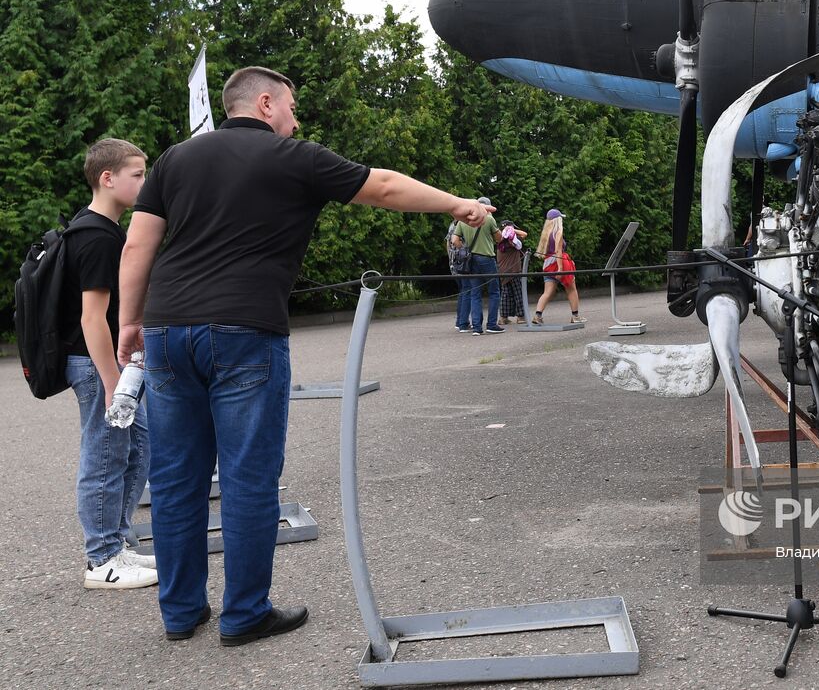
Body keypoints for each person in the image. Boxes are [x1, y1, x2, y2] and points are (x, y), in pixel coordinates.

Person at [117, 66, 492, 646]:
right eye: (291, 106)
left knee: (175, 479)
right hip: (244, 330)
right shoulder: (294, 158)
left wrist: (131, 322)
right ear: (265, 104)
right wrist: (456, 205)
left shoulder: (175, 160)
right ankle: (244, 616)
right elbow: (386, 187)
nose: (297, 119)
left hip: (167, 331)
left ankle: (181, 613)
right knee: (246, 476)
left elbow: (139, 242)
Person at [60, 138, 159, 590]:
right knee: (104, 456)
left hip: (104, 366)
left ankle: (116, 543)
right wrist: (112, 382)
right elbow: (91, 318)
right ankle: (101, 558)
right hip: (95, 365)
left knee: (138, 449)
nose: (145, 181)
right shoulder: (97, 236)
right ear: (108, 178)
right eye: (137, 175)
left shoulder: (103, 229)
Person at [451, 197, 502, 335]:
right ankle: (491, 324)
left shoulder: (463, 221)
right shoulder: (489, 219)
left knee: (475, 293)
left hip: (471, 260)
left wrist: (465, 249)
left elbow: (454, 240)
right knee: (494, 292)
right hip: (487, 258)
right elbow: (499, 238)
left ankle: (477, 327)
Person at [531, 208, 585, 325]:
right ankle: (575, 316)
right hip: (559, 263)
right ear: (557, 220)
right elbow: (558, 251)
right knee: (571, 289)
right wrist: (560, 269)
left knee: (548, 292)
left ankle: (537, 315)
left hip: (548, 263)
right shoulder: (558, 233)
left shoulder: (546, 234)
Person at [495, 220, 528, 324]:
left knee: (505, 294)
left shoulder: (499, 240)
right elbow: (524, 234)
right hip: (514, 271)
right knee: (518, 293)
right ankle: (521, 317)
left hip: (503, 271)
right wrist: (512, 230)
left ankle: (503, 318)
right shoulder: (512, 241)